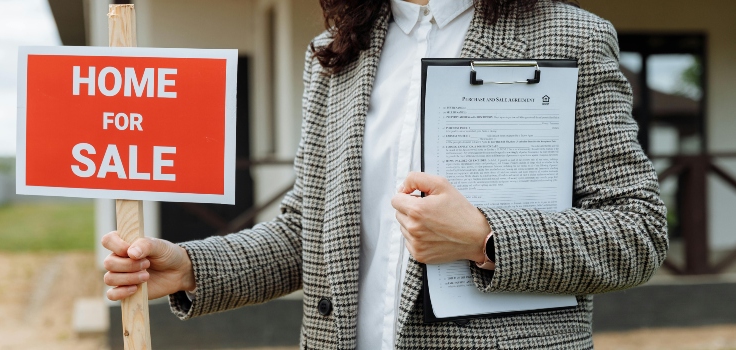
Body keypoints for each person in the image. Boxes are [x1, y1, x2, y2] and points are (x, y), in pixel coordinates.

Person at [101, 0, 668, 348]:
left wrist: (484, 237)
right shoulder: (333, 52)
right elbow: (309, 231)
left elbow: (637, 232)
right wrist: (193, 267)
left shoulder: (570, 37)